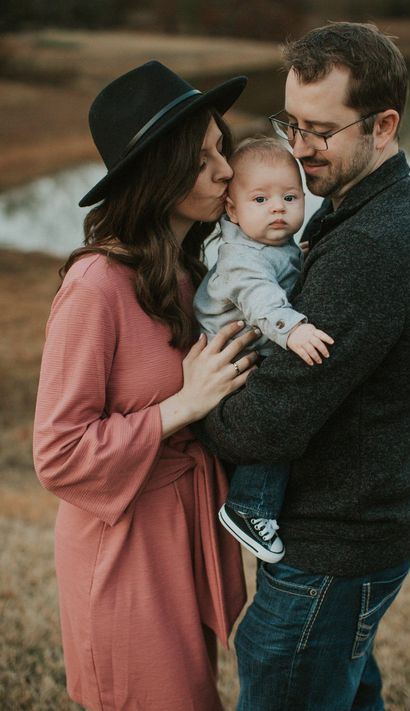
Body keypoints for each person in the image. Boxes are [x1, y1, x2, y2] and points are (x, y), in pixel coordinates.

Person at [195, 22, 410, 710]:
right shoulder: (353, 209)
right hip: (351, 539)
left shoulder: (371, 243)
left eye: (321, 130)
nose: (298, 149)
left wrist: (195, 397)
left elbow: (264, 427)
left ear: (384, 125)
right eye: (291, 123)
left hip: (331, 551)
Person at [32, 60, 260, 711]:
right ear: (157, 173)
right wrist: (181, 405)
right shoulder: (95, 286)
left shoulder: (189, 272)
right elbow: (57, 452)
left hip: (183, 535)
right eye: (202, 159)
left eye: (223, 147)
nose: (225, 170)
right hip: (123, 550)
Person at [194, 137, 334, 563]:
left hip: (249, 356)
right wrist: (292, 331)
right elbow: (259, 297)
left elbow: (281, 270)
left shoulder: (274, 244)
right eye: (260, 198)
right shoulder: (240, 257)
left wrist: (301, 256)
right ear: (232, 211)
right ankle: (248, 507)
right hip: (230, 368)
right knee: (273, 423)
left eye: (290, 197)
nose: (278, 207)